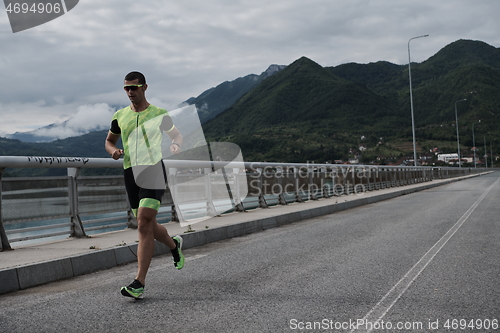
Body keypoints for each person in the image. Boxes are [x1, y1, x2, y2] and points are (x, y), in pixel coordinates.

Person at [105, 71, 185, 299]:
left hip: (152, 170)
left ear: (144, 87)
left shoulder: (159, 114)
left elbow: (177, 136)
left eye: (134, 87)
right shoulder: (119, 116)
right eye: (126, 88)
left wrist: (176, 146)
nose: (130, 92)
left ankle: (138, 282)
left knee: (143, 223)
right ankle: (174, 245)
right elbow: (109, 141)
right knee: (147, 225)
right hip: (130, 173)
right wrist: (114, 151)